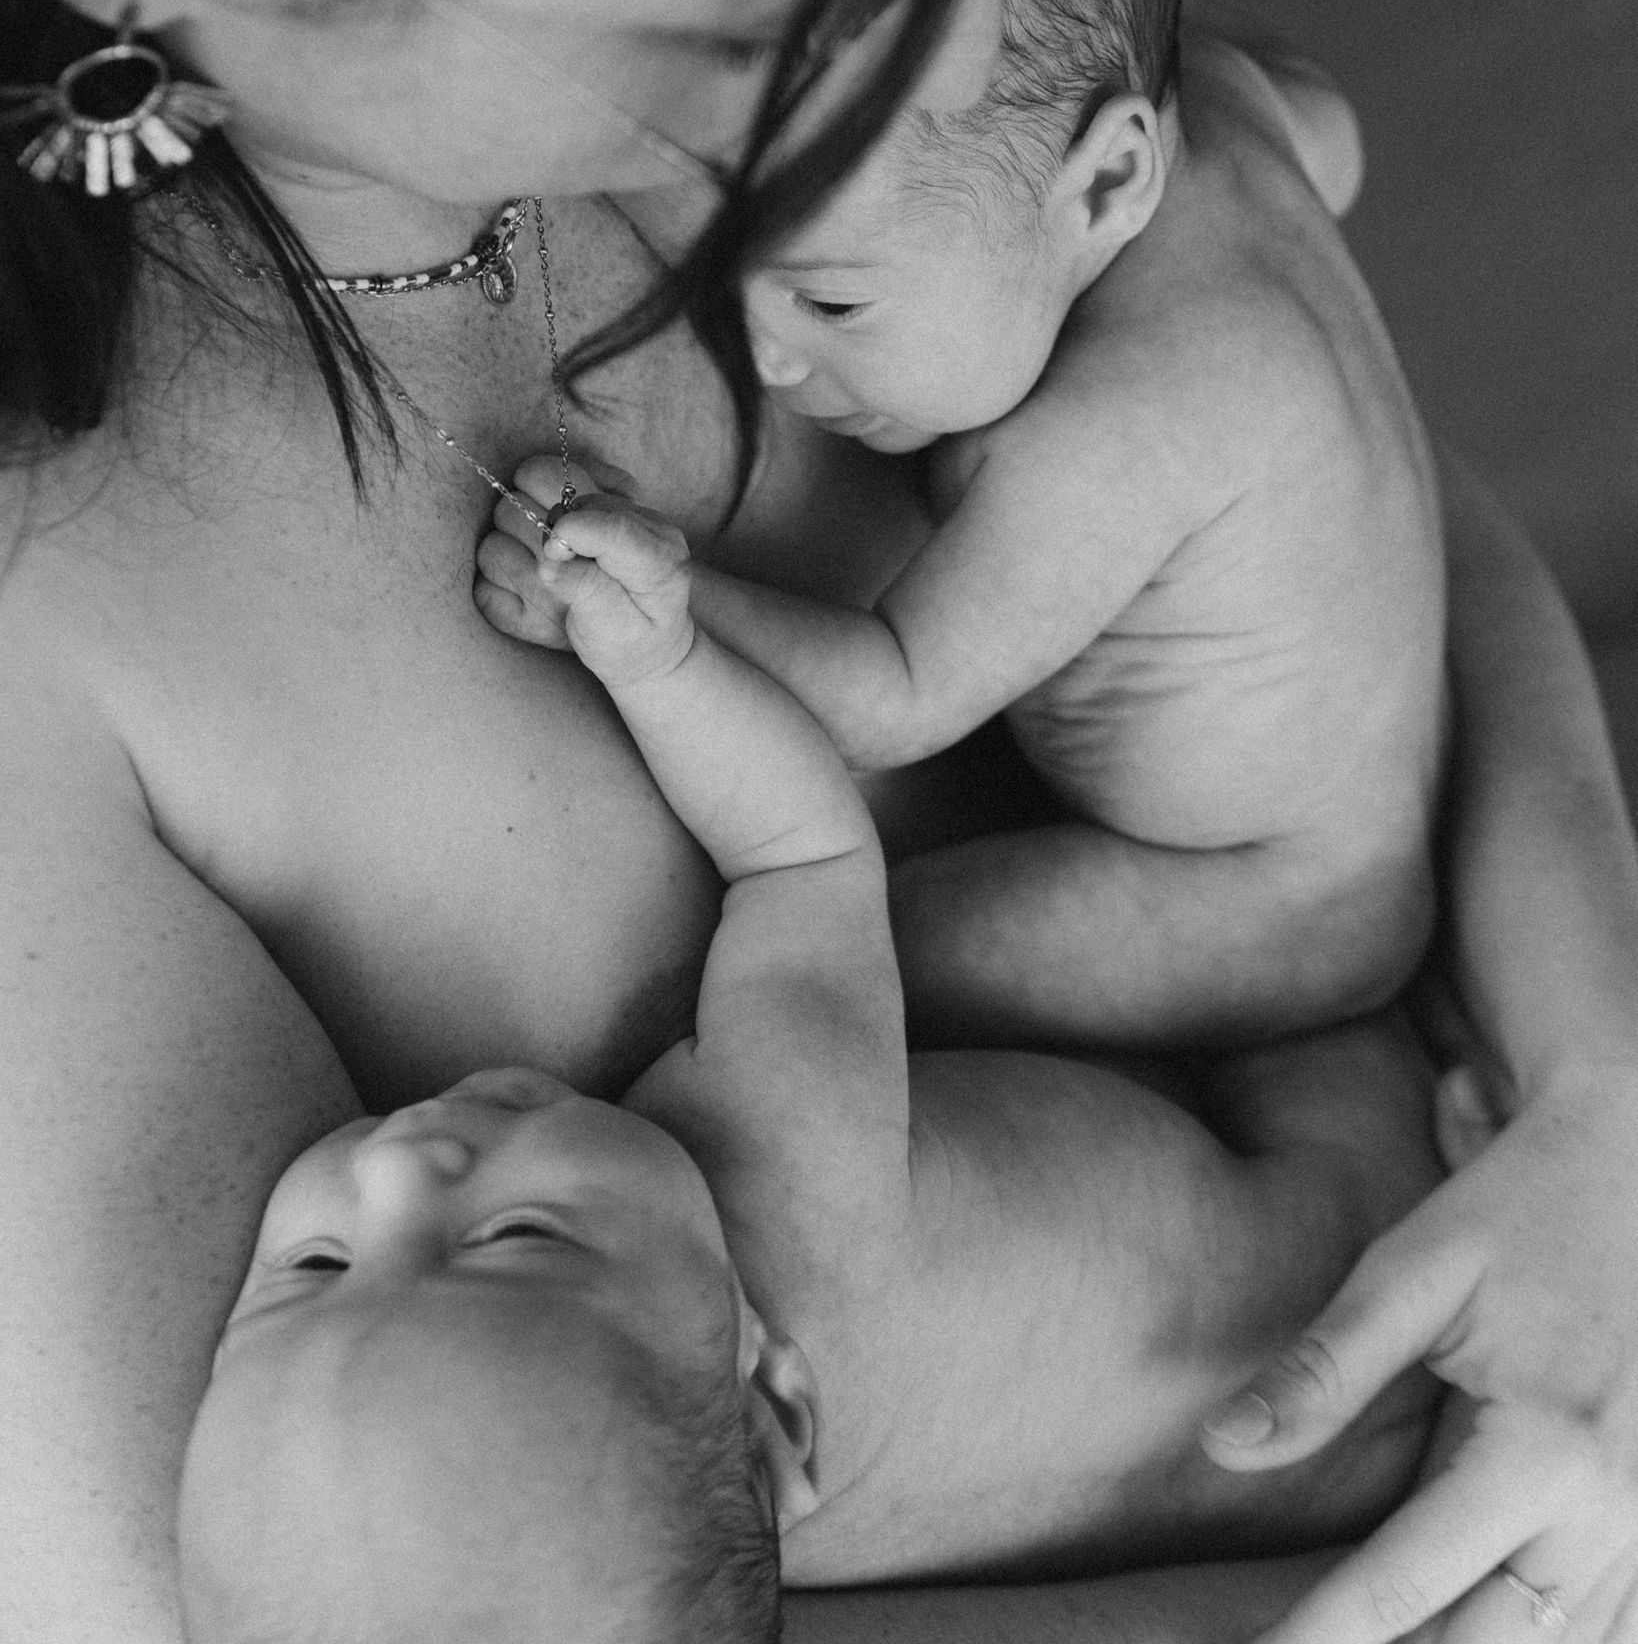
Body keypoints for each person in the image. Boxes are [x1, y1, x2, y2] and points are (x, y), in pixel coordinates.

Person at [0, 0, 1634, 1640]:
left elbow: (1328, 491)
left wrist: (1604, 1106)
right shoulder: (51, 685)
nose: (970, 4)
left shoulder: (910, 64)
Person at [178, 484, 1445, 1640]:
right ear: (772, 1396)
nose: (402, 1166)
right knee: (1314, 942)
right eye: (515, 1237)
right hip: (1349, 1198)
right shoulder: (774, 1158)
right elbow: (800, 855)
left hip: (1301, 1473)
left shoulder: (665, 1539)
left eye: (317, 1263)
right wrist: (658, 656)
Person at [487, 0, 1446, 1048]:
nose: (761, 358)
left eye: (830, 305)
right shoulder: (1223, 101)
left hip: (1268, 891)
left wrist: (654, 592)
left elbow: (893, 694)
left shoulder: (1123, 432)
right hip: (1367, 783)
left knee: (840, 965)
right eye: (725, 283)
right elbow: (1332, 132)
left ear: (1108, 185)